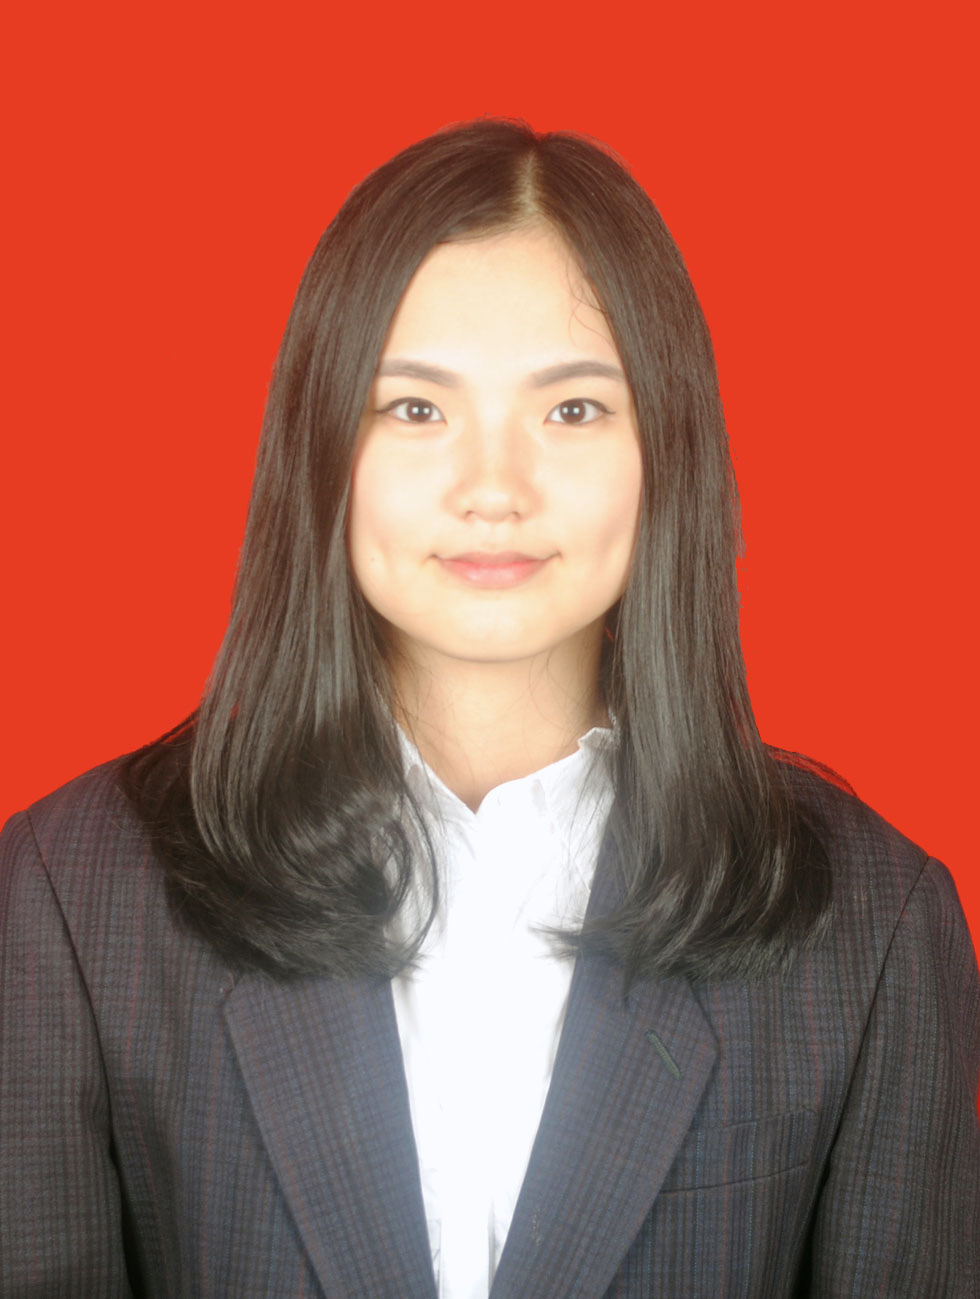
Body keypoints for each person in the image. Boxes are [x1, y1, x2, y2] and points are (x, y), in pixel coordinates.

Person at [1, 119, 977, 1299]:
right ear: (321, 446)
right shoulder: (74, 895)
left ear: (666, 449)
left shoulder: (866, 924)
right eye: (415, 410)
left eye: (572, 411)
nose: (492, 490)